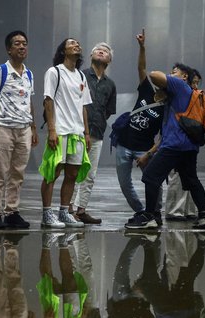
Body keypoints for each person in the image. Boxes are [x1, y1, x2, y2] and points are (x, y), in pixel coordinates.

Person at [125, 64, 205, 230]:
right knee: (192, 180)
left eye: (174, 72)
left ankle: (149, 216)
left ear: (184, 76)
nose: (171, 74)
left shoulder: (180, 86)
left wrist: (169, 79)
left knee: (150, 176)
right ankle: (203, 217)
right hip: (188, 146)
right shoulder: (181, 95)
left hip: (175, 145)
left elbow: (153, 75)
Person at [0, 31, 39, 230]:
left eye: (25, 43)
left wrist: (33, 127)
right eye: (17, 43)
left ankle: (12, 212)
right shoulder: (0, 71)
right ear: (9, 49)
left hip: (24, 129)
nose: (22, 47)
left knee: (18, 173)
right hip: (4, 128)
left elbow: (29, 101)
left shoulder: (29, 74)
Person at [38, 38, 93, 229]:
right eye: (71, 43)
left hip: (77, 132)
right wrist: (52, 129)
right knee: (53, 172)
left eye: (78, 43)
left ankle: (64, 212)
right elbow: (48, 101)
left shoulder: (81, 76)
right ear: (63, 51)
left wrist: (86, 133)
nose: (77, 45)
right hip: (60, 130)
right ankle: (47, 214)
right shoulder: (54, 72)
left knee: (72, 174)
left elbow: (84, 107)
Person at [116, 29, 165, 221]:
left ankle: (155, 211)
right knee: (124, 184)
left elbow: (163, 136)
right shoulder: (147, 91)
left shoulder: (166, 109)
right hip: (123, 144)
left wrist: (150, 153)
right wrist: (142, 47)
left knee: (154, 181)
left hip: (144, 149)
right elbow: (141, 69)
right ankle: (141, 210)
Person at [70, 42, 117, 225]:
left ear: (109, 60)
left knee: (90, 175)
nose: (100, 51)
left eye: (105, 51)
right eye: (97, 49)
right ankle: (69, 210)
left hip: (97, 133)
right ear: (91, 56)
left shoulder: (110, 84)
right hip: (77, 131)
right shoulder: (79, 76)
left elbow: (108, 110)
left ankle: (81, 210)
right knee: (73, 172)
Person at [164, 69, 201, 222]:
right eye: (193, 82)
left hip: (189, 142)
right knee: (176, 176)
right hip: (174, 140)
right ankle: (174, 211)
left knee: (189, 176)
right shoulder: (176, 93)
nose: (195, 86)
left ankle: (190, 210)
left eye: (197, 83)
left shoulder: (196, 96)